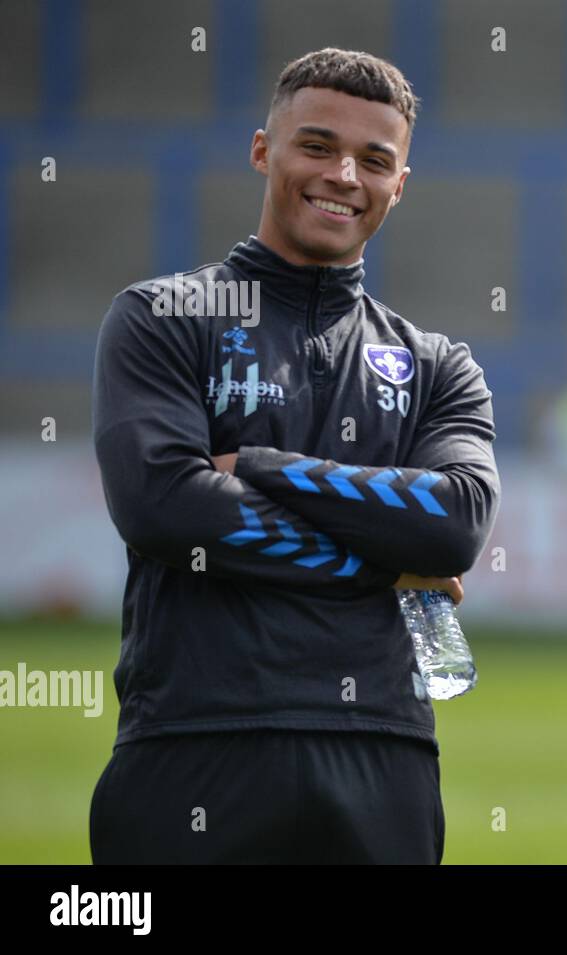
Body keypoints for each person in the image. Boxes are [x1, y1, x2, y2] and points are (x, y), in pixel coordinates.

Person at [89, 48, 500, 863]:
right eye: (316, 146)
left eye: (374, 160)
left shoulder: (438, 365)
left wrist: (259, 467)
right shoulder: (162, 318)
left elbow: (452, 528)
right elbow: (167, 508)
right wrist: (382, 561)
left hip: (384, 758)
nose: (343, 174)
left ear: (399, 184)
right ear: (263, 151)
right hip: (192, 746)